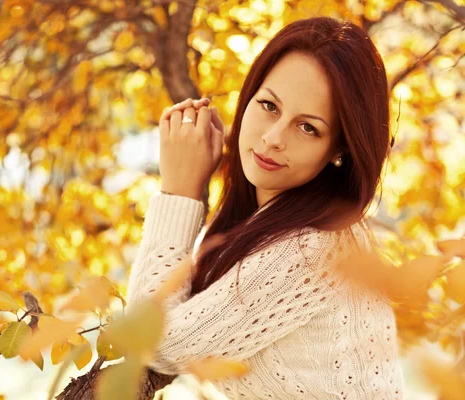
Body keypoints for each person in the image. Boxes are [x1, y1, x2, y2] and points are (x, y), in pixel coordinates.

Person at [126, 16, 404, 399]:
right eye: (269, 105)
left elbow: (151, 342)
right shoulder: (270, 226)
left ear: (339, 150)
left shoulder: (313, 250)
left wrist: (179, 193)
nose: (273, 138)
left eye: (308, 128)